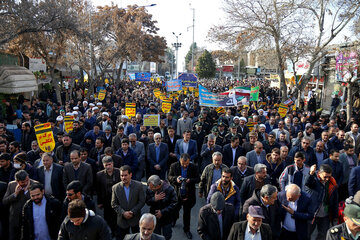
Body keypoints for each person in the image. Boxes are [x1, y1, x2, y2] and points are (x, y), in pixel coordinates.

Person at [168, 153, 200, 239]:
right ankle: (174, 219)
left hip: (189, 193)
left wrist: (190, 180)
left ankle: (187, 229)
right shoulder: (173, 166)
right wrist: (176, 179)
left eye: (187, 164)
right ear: (180, 161)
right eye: (183, 164)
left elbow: (198, 178)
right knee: (175, 208)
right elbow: (169, 177)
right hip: (177, 193)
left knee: (187, 212)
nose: (185, 165)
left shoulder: (193, 167)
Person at [111, 165, 145, 240]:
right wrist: (123, 213)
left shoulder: (139, 186)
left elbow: (142, 201)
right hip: (122, 221)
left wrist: (132, 212)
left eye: (125, 175)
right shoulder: (115, 187)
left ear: (131, 175)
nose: (123, 177)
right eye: (121, 175)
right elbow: (114, 204)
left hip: (135, 219)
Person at [306, 164, 338, 240]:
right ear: (319, 173)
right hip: (313, 213)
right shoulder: (314, 179)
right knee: (307, 234)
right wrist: (311, 173)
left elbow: (335, 201)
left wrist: (335, 216)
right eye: (325, 177)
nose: (327, 179)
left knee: (323, 235)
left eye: (329, 177)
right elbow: (307, 183)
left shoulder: (332, 183)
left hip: (325, 215)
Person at [2, 170, 38, 240]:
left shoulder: (35, 184)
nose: (25, 183)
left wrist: (27, 192)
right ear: (17, 181)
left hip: (29, 218)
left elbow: (37, 200)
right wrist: (15, 194)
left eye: (26, 180)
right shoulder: (11, 185)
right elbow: (5, 201)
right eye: (22, 182)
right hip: (14, 219)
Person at [145, 175, 177, 240]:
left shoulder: (170, 189)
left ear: (158, 186)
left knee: (167, 236)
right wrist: (154, 199)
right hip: (154, 217)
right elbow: (147, 202)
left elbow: (174, 204)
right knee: (155, 236)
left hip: (167, 218)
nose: (150, 189)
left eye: (152, 188)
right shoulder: (149, 188)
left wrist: (162, 212)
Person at [96, 156, 121, 236]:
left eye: (109, 164)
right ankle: (112, 231)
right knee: (107, 218)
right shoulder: (99, 175)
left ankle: (117, 233)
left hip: (118, 200)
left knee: (117, 217)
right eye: (106, 165)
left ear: (113, 163)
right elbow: (98, 189)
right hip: (106, 200)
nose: (108, 167)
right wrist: (99, 202)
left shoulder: (119, 172)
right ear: (103, 165)